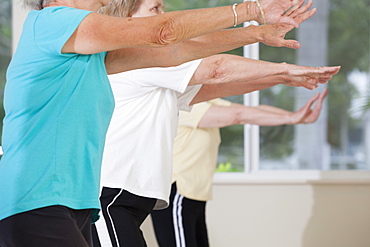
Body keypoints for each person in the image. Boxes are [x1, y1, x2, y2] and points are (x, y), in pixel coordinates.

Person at [0, 0, 314, 245]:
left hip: (73, 201)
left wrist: (255, 33)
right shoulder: (52, 21)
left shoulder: (88, 53)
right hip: (36, 198)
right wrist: (250, 10)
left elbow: (173, 50)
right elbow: (162, 32)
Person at [93, 0, 340, 246]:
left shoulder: (153, 72)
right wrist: (284, 70)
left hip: (126, 200)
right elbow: (216, 69)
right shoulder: (135, 59)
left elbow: (214, 86)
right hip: (111, 197)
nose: (164, 16)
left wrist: (280, 78)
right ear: (127, 20)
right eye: (155, 9)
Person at [150, 89, 328, 247]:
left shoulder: (202, 100)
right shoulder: (178, 102)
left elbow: (251, 110)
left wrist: (296, 117)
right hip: (176, 194)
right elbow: (237, 115)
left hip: (193, 196)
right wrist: (290, 118)